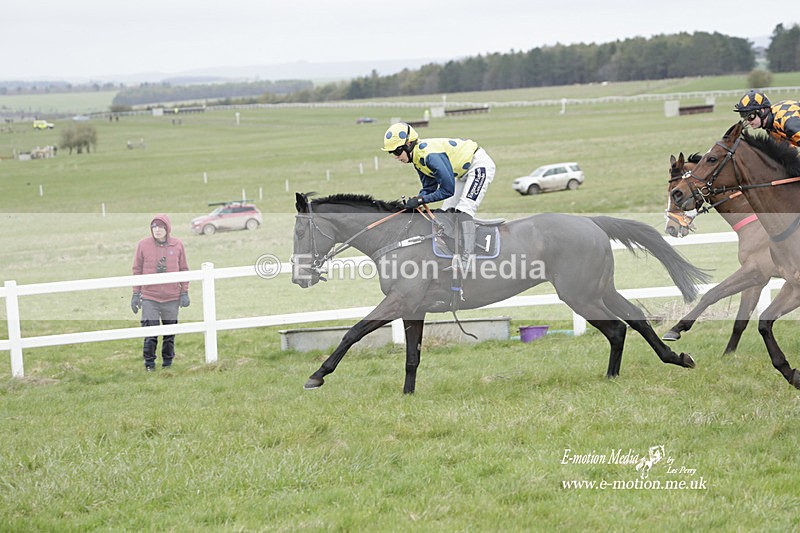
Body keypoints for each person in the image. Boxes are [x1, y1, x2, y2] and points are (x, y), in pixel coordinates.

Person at [381, 122, 496, 273]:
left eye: (396, 152)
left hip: (478, 166)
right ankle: (453, 253)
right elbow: (430, 188)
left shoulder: (430, 156)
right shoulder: (417, 159)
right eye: (391, 153)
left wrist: (422, 200)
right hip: (462, 173)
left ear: (408, 144)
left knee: (463, 211)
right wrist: (416, 200)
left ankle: (467, 261)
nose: (395, 157)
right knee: (446, 215)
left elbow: (447, 190)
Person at [131, 214, 190, 371]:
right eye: (154, 227)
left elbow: (184, 269)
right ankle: (149, 364)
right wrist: (136, 294)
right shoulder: (143, 245)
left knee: (170, 333)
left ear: (167, 228)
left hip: (172, 297)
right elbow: (137, 270)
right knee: (151, 332)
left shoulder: (177, 245)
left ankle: (167, 364)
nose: (157, 230)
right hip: (150, 296)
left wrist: (184, 292)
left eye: (161, 227)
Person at [734, 89, 800, 147]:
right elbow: (791, 153)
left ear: (762, 111)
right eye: (744, 117)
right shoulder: (771, 128)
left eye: (750, 116)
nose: (748, 122)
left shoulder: (788, 122)